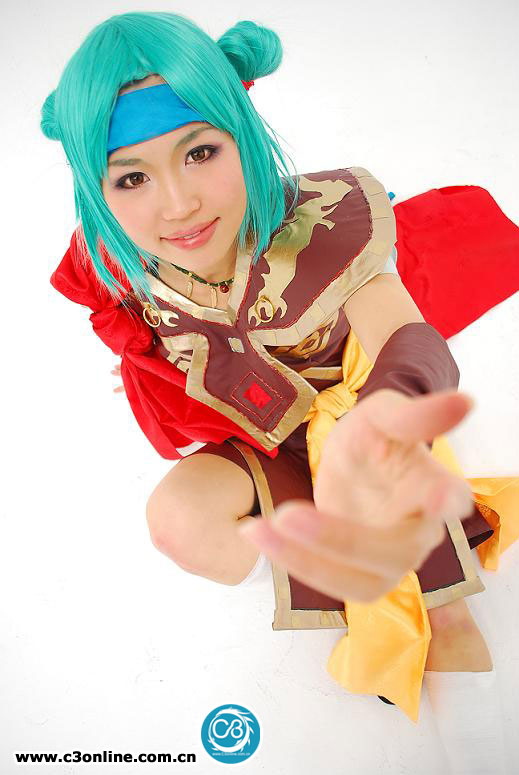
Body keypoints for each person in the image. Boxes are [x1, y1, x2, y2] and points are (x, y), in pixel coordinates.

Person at [42, 11, 515, 770]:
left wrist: (384, 420)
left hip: (363, 421)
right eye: (132, 177)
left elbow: (407, 338)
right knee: (178, 522)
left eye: (200, 152)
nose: (177, 204)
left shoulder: (323, 226)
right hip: (262, 431)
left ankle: (437, 634)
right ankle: (326, 564)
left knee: (439, 609)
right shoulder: (119, 252)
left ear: (241, 132)